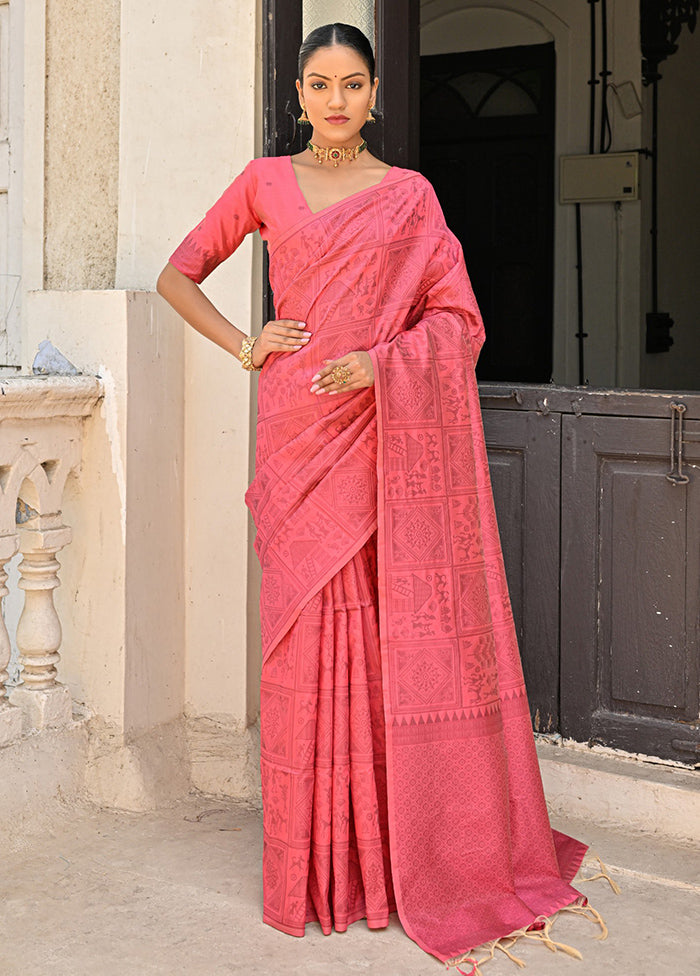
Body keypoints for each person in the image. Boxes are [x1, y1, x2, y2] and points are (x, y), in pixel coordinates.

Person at [157, 22, 602, 971]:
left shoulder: (409, 198)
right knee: (304, 639)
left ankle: (381, 863)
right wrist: (247, 343)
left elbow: (459, 319)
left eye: (352, 84)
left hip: (378, 434)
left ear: (373, 96)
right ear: (299, 93)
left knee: (379, 635)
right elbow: (177, 273)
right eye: (318, 84)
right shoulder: (263, 182)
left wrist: (379, 365)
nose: (334, 100)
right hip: (297, 437)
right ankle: (312, 871)